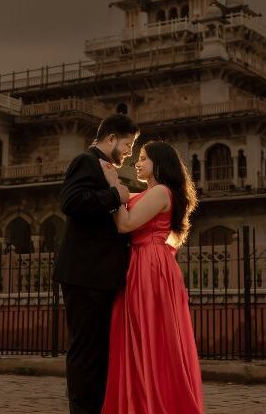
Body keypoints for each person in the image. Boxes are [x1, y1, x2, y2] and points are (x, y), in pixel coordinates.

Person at [99, 141, 203, 414]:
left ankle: (156, 402)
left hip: (149, 264)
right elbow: (128, 205)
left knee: (152, 334)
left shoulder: (160, 192)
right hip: (143, 263)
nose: (138, 162)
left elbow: (126, 224)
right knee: (140, 334)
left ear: (160, 163)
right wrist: (118, 190)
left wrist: (114, 187)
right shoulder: (149, 193)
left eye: (144, 158)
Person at [54, 114, 140, 414]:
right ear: (112, 138)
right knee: (86, 350)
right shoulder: (86, 161)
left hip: (100, 276)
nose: (130, 152)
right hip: (84, 274)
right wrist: (115, 194)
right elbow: (71, 201)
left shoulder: (108, 169)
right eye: (128, 144)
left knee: (100, 350)